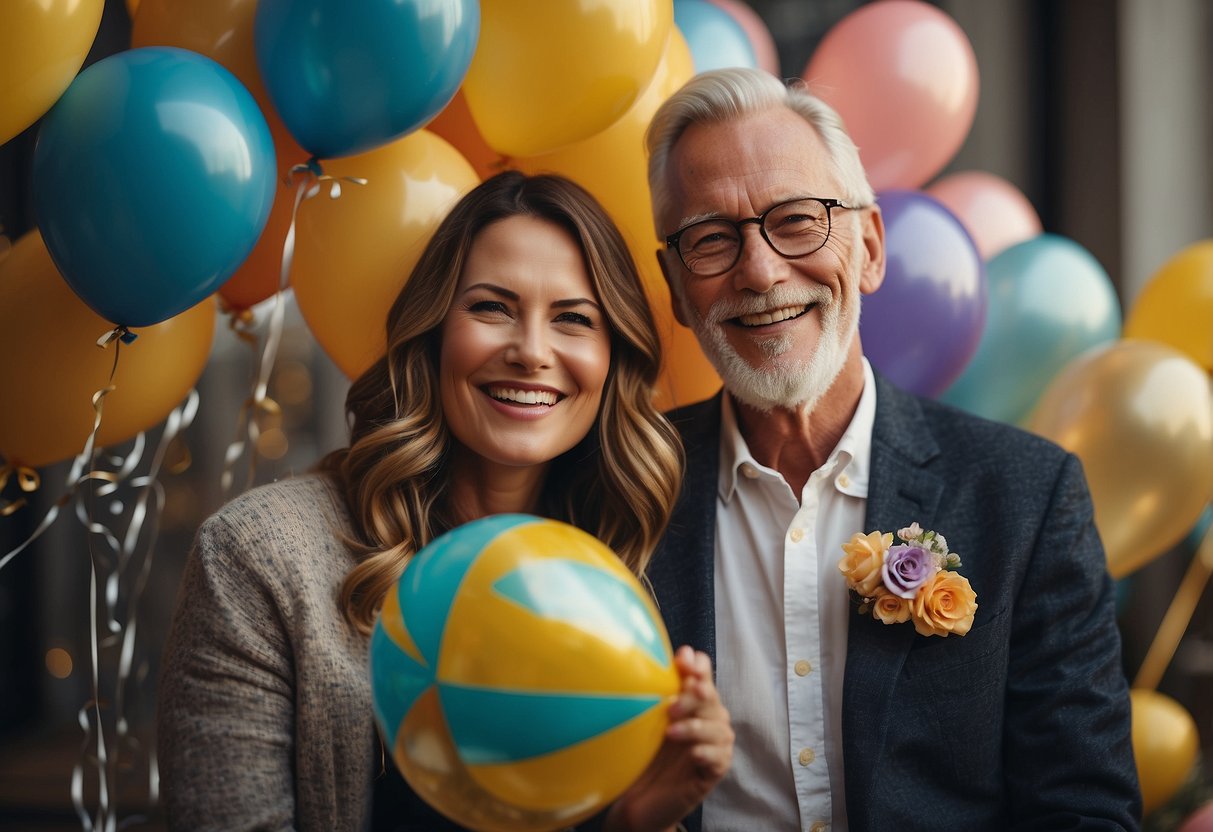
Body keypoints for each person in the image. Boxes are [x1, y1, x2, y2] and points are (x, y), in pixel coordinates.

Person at [157, 171, 733, 832]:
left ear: (612, 358)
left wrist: (635, 822)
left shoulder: (644, 562)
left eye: (573, 319)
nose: (531, 352)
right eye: (492, 308)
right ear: (433, 332)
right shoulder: (261, 558)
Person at [642, 67, 1141, 831]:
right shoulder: (622, 490)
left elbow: (1082, 812)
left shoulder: (1025, 497)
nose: (760, 270)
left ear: (869, 247)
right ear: (676, 287)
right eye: (711, 238)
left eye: (797, 220)